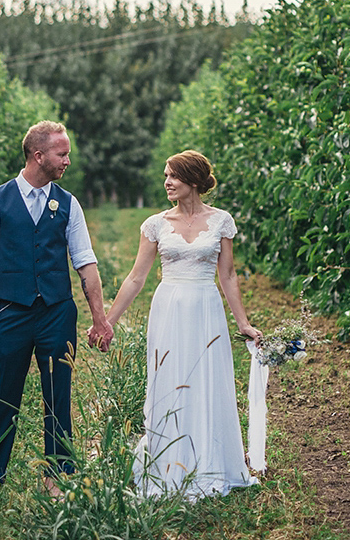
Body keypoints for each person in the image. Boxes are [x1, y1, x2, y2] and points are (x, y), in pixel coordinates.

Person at [0, 121, 113, 506]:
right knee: (1, 398)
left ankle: (57, 478)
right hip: (11, 314)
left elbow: (85, 263)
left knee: (57, 397)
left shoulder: (68, 203)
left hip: (56, 313)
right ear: (38, 156)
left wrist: (100, 318)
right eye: (62, 154)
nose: (68, 160)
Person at [104, 149, 262, 499]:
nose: (167, 182)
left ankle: (212, 461)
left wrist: (244, 323)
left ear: (192, 180)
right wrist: (107, 322)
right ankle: (169, 463)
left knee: (208, 380)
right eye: (165, 176)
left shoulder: (221, 221)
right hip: (169, 310)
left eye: (172, 176)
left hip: (207, 309)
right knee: (171, 379)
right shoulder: (156, 224)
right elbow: (135, 278)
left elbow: (229, 275)